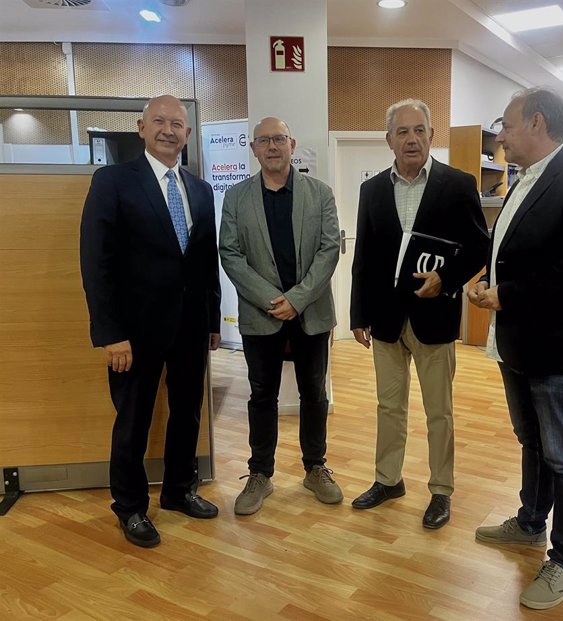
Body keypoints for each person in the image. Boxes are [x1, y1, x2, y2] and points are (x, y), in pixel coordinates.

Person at [468, 87, 563, 609]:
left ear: (535, 123)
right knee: (532, 441)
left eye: (505, 126)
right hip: (519, 345)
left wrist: (508, 293)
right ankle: (531, 523)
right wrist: (488, 278)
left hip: (561, 352)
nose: (501, 137)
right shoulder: (523, 181)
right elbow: (516, 252)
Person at [80, 95, 221, 548]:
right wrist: (110, 332)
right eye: (159, 121)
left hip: (190, 326)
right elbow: (95, 262)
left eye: (176, 123)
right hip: (133, 333)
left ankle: (180, 490)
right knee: (134, 419)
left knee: (187, 414)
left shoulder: (199, 189)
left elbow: (205, 263)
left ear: (188, 133)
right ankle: (131, 507)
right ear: (141, 127)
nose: (168, 130)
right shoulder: (113, 182)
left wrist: (213, 321)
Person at [349, 99, 489, 529]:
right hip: (386, 319)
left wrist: (445, 280)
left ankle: (441, 490)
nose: (411, 139)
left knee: (438, 411)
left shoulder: (458, 184)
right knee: (388, 406)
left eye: (420, 130)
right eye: (403, 132)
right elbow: (365, 255)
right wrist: (358, 313)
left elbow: (479, 247)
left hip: (435, 318)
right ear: (389, 139)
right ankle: (388, 479)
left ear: (431, 135)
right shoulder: (372, 189)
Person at [219, 117, 342, 515]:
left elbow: (328, 252)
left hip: (311, 313)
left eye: (279, 139)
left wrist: (298, 299)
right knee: (261, 396)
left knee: (315, 394)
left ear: (292, 144)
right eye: (263, 141)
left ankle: (315, 468)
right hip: (261, 315)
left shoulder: (320, 194)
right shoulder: (237, 197)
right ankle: (260, 474)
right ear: (253, 149)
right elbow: (231, 255)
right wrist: (273, 300)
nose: (272, 146)